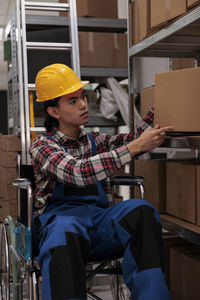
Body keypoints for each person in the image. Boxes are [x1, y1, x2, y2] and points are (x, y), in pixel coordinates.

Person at [29, 63, 174, 300]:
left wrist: (163, 104)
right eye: (72, 101)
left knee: (142, 211)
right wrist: (134, 147)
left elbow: (134, 139)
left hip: (99, 222)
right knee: (64, 229)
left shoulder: (96, 140)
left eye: (82, 97)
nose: (84, 104)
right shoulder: (43, 147)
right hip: (60, 226)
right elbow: (77, 172)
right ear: (54, 112)